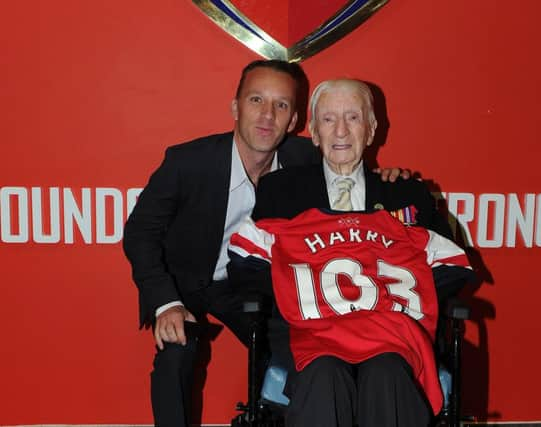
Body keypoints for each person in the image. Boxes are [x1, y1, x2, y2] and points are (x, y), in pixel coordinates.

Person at [122, 61, 402, 427]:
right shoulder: (188, 163)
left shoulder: (303, 158)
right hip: (187, 283)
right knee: (175, 354)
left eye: (281, 105)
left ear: (295, 119)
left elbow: (350, 168)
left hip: (255, 284)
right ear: (236, 108)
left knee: (290, 352)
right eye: (256, 100)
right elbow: (140, 232)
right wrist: (166, 303)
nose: (267, 116)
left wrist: (393, 179)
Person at [229, 78, 471, 427]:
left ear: (371, 130)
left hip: (391, 334)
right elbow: (251, 266)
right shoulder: (281, 191)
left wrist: (396, 298)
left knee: (386, 370)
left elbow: (448, 265)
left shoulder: (405, 192)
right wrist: (308, 295)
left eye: (353, 118)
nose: (340, 130)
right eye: (328, 119)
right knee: (323, 373)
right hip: (313, 334)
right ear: (313, 131)